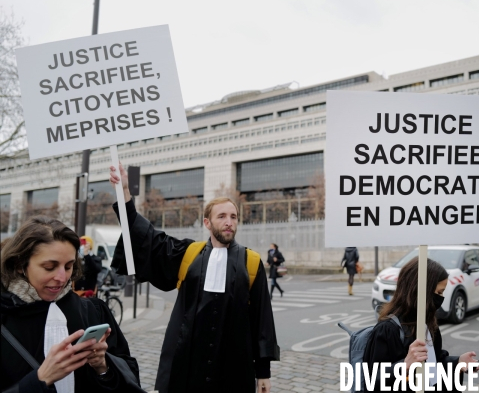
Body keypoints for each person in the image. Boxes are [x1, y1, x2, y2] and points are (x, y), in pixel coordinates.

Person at [108, 163, 279, 393]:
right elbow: (145, 236)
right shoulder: (188, 254)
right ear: (207, 223)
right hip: (186, 366)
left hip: (234, 369)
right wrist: (125, 193)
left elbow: (262, 322)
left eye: (233, 217)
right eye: (222, 216)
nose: (229, 222)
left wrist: (263, 374)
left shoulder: (251, 261)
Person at [0, 216, 143, 393]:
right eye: (49, 267)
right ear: (20, 265)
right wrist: (40, 380)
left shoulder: (93, 311)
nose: (62, 278)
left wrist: (103, 365)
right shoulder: (5, 317)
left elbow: (130, 380)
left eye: (68, 266)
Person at [363, 257, 479, 392]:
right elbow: (372, 380)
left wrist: (458, 362)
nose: (441, 298)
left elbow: (436, 362)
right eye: (438, 292)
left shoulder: (428, 324)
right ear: (419, 290)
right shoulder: (388, 330)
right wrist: (404, 365)